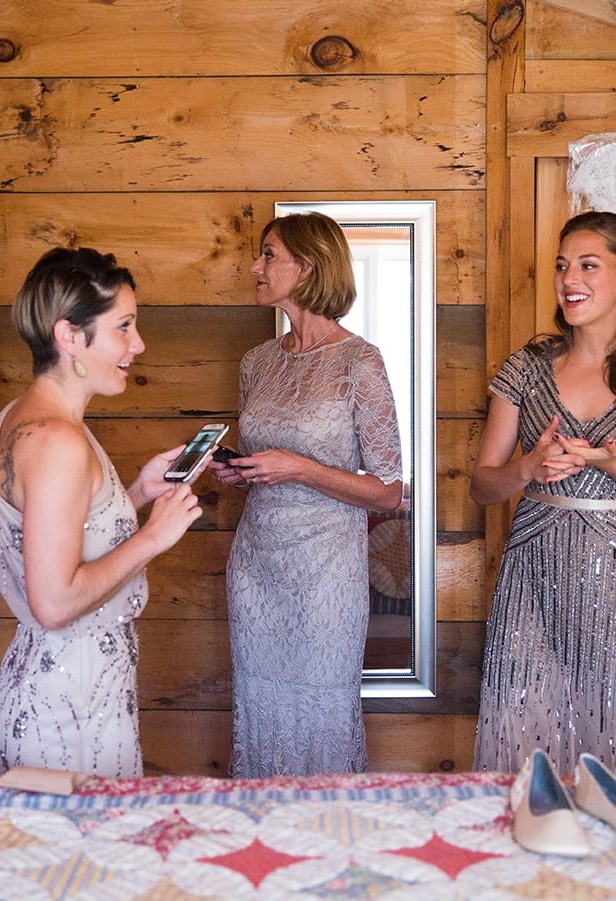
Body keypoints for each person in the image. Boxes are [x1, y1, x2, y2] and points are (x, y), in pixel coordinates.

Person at [469, 210, 616, 780]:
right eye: (562, 266)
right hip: (533, 576)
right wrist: (526, 467)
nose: (569, 278)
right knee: (525, 735)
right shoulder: (525, 369)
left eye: (588, 265)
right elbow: (480, 484)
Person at [0, 247, 202, 778]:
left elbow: (59, 534)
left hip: (66, 693)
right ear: (70, 336)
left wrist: (139, 492)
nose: (138, 344)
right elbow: (54, 603)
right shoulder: (58, 441)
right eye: (123, 327)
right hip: (68, 715)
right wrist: (153, 537)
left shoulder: (22, 418)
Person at [209, 212, 404, 778]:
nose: (255, 266)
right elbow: (265, 462)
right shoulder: (257, 363)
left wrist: (300, 469)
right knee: (260, 706)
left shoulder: (359, 362)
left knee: (320, 709)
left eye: (269, 255)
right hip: (256, 566)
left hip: (325, 573)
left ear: (309, 266)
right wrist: (244, 473)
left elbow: (389, 493)